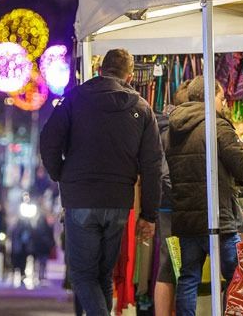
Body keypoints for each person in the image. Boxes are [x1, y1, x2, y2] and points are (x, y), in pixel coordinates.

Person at [40, 48, 163, 316]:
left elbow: (48, 141)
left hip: (80, 198)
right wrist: (149, 214)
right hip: (118, 201)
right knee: (103, 276)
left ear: (98, 71)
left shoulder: (74, 99)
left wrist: (61, 174)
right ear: (130, 77)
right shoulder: (142, 108)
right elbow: (153, 166)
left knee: (83, 276)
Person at [165, 76, 243, 316]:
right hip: (218, 216)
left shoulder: (175, 127)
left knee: (188, 278)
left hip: (187, 217)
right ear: (211, 97)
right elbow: (241, 167)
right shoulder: (216, 124)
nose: (223, 104)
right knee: (236, 275)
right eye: (221, 98)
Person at [154, 79, 191, 316]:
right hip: (178, 203)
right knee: (177, 265)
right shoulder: (178, 130)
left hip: (165, 204)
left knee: (168, 265)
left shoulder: (159, 128)